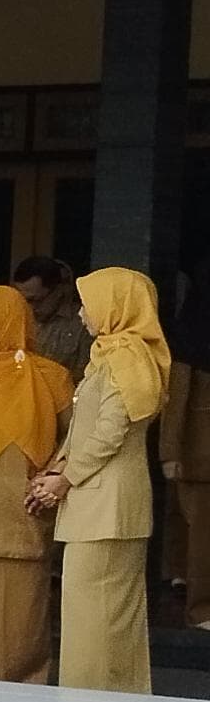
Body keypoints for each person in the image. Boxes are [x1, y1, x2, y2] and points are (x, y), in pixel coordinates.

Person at [30, 264, 170, 693]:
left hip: (107, 505)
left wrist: (64, 479)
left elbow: (111, 431)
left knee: (96, 620)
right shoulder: (110, 355)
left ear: (115, 305)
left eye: (88, 303)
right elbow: (83, 430)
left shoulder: (128, 357)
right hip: (98, 504)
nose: (80, 314)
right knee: (99, 615)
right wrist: (54, 469)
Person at [0, 283, 70, 685]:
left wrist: (56, 474)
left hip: (17, 518)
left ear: (11, 319)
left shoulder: (48, 377)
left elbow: (77, 440)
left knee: (16, 629)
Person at [157, 247, 210, 625]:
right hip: (198, 452)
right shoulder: (196, 324)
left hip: (197, 450)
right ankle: (199, 607)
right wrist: (170, 451)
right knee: (201, 531)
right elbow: (178, 395)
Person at [12, 252, 91, 385]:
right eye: (22, 300)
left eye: (35, 300)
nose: (28, 307)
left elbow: (86, 378)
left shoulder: (83, 323)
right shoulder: (13, 320)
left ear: (58, 291)